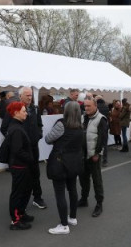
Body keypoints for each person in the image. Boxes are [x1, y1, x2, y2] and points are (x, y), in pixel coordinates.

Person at [43, 101, 86, 236]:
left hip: (60, 163)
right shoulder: (80, 126)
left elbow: (48, 139)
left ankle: (63, 225)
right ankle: (72, 217)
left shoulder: (62, 124)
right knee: (72, 189)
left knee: (60, 193)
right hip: (74, 163)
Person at [3, 101, 34, 230]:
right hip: (19, 166)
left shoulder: (17, 126)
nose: (26, 113)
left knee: (25, 190)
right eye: (23, 111)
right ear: (16, 113)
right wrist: (30, 159)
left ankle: (21, 213)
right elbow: (17, 150)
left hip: (22, 165)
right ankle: (15, 221)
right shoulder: (16, 129)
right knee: (18, 192)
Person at [18, 87, 48, 210]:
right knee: (22, 174)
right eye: (27, 95)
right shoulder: (15, 109)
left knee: (35, 172)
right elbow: (5, 128)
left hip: (34, 147)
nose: (29, 97)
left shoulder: (35, 109)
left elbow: (39, 124)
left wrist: (38, 135)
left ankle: (37, 197)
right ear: (20, 96)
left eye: (30, 95)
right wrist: (17, 141)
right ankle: (21, 201)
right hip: (21, 149)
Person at [78, 97, 107, 217]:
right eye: (85, 106)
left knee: (96, 180)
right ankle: (84, 199)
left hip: (93, 155)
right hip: (82, 155)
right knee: (83, 179)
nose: (87, 108)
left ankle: (99, 204)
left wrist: (97, 153)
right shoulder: (83, 117)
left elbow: (102, 138)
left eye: (89, 106)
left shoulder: (101, 119)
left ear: (95, 106)